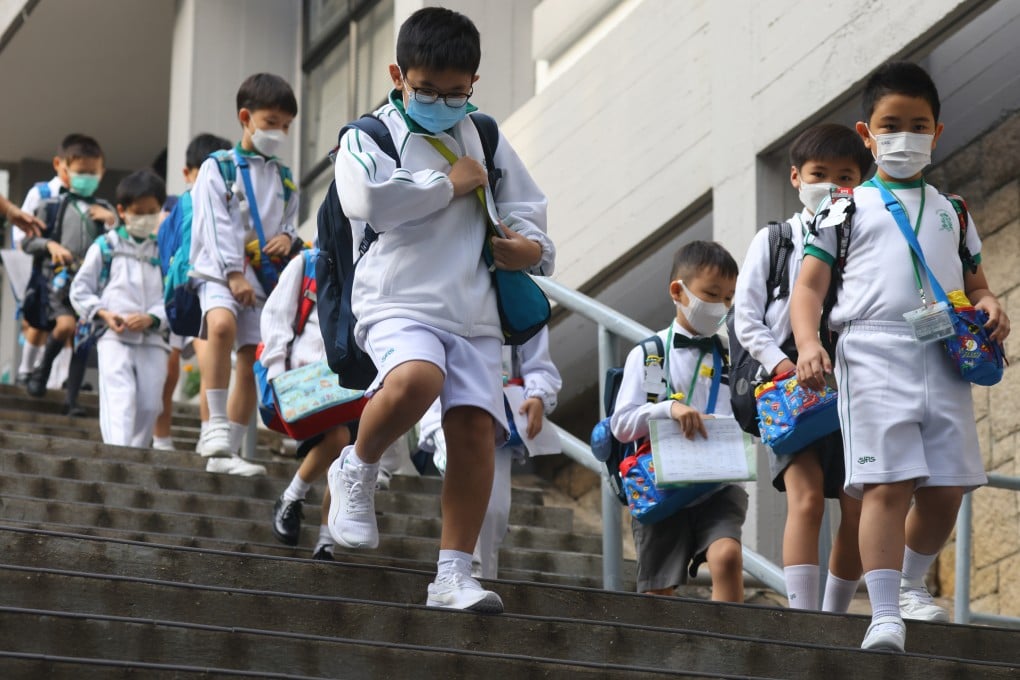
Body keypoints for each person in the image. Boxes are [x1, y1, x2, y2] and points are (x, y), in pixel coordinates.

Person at [327, 6, 553, 613]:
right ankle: (356, 465)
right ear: (398, 73)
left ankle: (453, 575)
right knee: (416, 379)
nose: (442, 101)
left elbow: (529, 211)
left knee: (476, 432)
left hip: (474, 309)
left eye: (456, 92)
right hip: (398, 300)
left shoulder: (485, 133)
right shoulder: (368, 135)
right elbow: (363, 199)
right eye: (426, 89)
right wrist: (447, 185)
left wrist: (528, 248)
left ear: (473, 84)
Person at [791, 61, 1011, 652]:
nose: (906, 135)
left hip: (942, 350)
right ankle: (883, 612)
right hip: (873, 349)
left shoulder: (954, 210)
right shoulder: (843, 208)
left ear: (937, 132)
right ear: (867, 134)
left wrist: (991, 303)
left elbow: (977, 283)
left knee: (949, 486)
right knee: (888, 483)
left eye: (919, 124)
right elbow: (808, 287)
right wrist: (809, 344)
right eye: (892, 124)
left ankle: (909, 585)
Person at [732, 123, 870, 612]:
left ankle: (832, 621)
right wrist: (785, 364)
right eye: (820, 174)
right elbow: (745, 318)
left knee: (856, 509)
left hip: (855, 385)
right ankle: (804, 618)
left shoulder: (866, 240)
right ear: (796, 177)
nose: (831, 185)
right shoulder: (776, 240)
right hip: (788, 387)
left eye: (845, 176)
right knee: (808, 499)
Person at [611, 241, 746, 601]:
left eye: (729, 298)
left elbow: (743, 417)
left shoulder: (731, 358)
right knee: (659, 588)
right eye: (712, 294)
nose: (721, 306)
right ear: (678, 291)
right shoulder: (650, 354)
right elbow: (621, 424)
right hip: (661, 485)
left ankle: (731, 647)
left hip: (716, 484)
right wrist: (667, 409)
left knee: (728, 557)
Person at [189, 73, 300, 476]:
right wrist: (233, 272)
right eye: (272, 122)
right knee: (220, 326)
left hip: (262, 280)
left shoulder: (285, 179)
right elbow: (216, 224)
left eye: (286, 125)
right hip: (220, 272)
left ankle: (228, 453)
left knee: (251, 358)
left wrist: (287, 238)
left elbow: (288, 222)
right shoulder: (217, 167)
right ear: (246, 117)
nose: (280, 132)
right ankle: (214, 426)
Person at [419, 327, 562, 579]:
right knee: (467, 487)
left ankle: (482, 582)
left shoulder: (519, 295)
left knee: (494, 512)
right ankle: (460, 575)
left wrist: (538, 395)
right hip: (448, 406)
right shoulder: (444, 288)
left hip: (498, 417)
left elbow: (538, 362)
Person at [263, 248, 355, 561]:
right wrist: (277, 372)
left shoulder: (374, 261)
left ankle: (325, 540)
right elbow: (277, 314)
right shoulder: (307, 262)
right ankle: (292, 499)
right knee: (340, 440)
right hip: (307, 380)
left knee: (346, 455)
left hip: (355, 381)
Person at [68, 171, 169, 447]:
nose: (146, 217)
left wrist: (152, 318)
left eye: (153, 211)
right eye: (139, 212)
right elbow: (80, 289)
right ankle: (119, 457)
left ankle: (134, 456)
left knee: (150, 404)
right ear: (122, 211)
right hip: (114, 337)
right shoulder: (106, 246)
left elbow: (172, 298)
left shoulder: (163, 250)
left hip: (153, 340)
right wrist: (103, 313)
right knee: (120, 399)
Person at [22, 134, 117, 415]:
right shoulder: (50, 205)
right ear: (63, 169)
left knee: (82, 341)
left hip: (90, 286)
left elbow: (119, 244)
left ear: (101, 172)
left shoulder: (106, 209)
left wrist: (111, 222)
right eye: (80, 172)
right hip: (59, 281)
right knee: (64, 327)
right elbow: (28, 241)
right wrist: (50, 245)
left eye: (92, 172)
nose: (86, 177)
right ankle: (40, 372)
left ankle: (72, 399)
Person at [152, 133, 232, 452]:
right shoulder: (175, 206)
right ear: (188, 173)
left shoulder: (228, 203)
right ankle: (161, 438)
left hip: (208, 292)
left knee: (210, 359)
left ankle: (207, 431)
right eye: (204, 170)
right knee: (168, 371)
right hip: (178, 296)